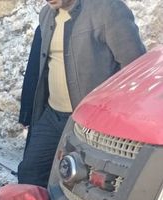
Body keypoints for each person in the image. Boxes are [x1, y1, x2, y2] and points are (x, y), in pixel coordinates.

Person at [17, 0, 145, 187]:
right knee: (30, 173)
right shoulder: (46, 14)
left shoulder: (108, 9)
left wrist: (118, 118)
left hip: (92, 122)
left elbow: (136, 68)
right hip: (52, 116)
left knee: (82, 185)